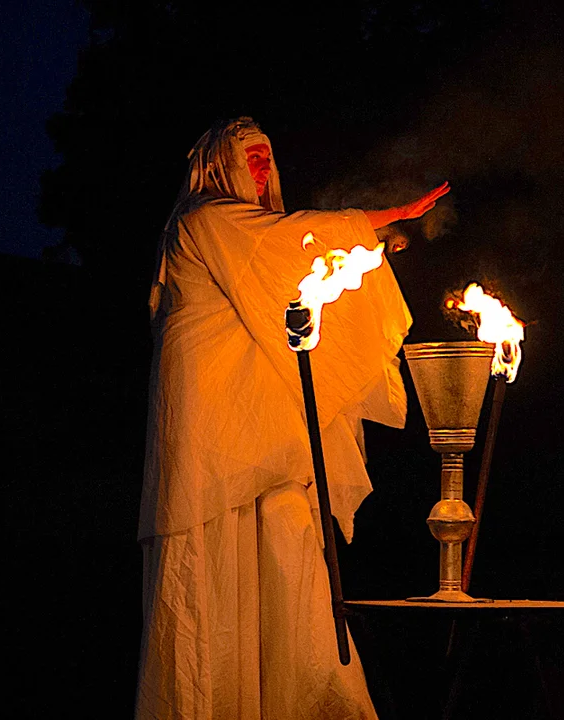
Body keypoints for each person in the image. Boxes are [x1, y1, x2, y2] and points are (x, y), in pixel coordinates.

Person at [137, 117, 447, 719]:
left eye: (267, 158)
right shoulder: (204, 218)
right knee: (208, 557)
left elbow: (297, 266)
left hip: (261, 429)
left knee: (284, 546)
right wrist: (384, 216)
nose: (261, 170)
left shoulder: (242, 229)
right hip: (211, 421)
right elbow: (288, 241)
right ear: (218, 163)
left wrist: (371, 242)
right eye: (248, 157)